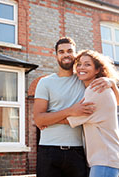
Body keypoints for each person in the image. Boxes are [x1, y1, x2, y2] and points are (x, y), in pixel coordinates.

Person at [33, 37, 119, 177]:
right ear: (56, 56)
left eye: (69, 51)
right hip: (49, 150)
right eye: (61, 52)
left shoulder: (85, 80)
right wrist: (70, 111)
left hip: (78, 151)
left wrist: (112, 83)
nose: (65, 54)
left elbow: (115, 103)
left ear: (75, 54)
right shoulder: (45, 82)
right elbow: (38, 119)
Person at [67, 50, 119, 177]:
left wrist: (45, 119)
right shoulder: (102, 87)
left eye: (87, 64)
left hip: (104, 161)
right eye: (79, 64)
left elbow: (72, 118)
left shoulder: (96, 90)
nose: (81, 68)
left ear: (97, 70)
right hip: (106, 160)